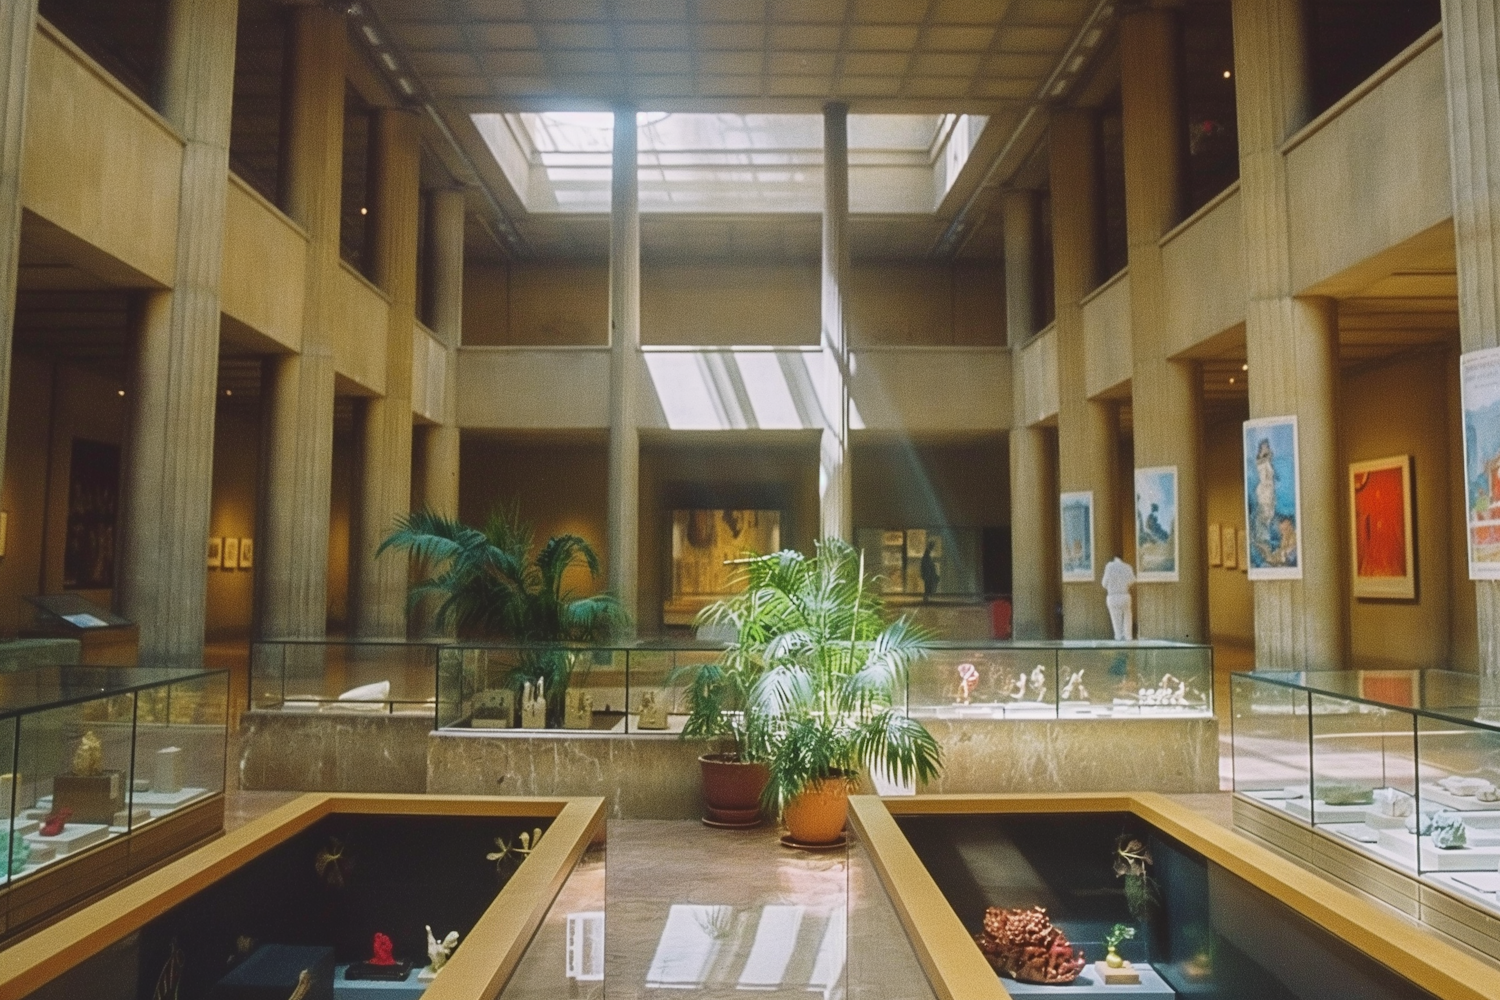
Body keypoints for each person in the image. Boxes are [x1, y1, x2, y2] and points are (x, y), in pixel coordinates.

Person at [1101, 557, 1135, 641]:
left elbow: (1104, 584)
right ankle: (1128, 639)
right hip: (1124, 595)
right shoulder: (1127, 567)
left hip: (1112, 596)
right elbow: (1133, 580)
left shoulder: (1109, 567)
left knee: (1116, 622)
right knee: (1127, 618)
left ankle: (1118, 639)